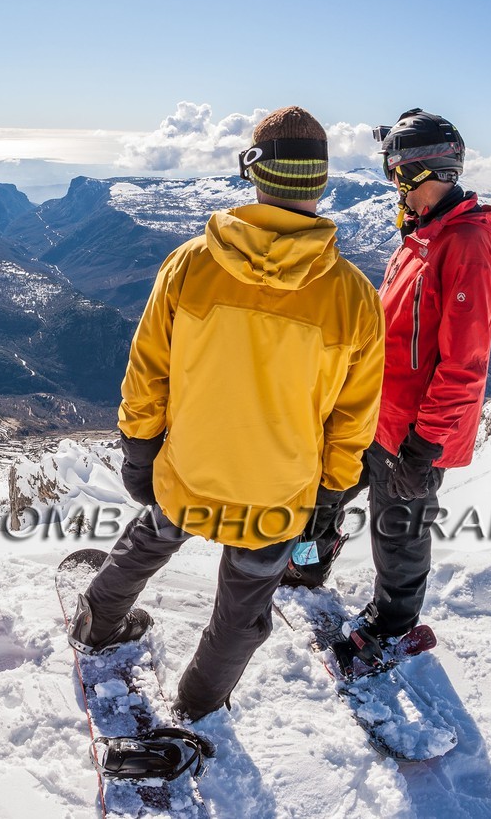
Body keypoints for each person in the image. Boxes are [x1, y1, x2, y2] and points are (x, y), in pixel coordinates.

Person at [67, 106, 386, 721]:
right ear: (321, 182)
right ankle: (199, 702)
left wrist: (139, 446)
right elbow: (354, 414)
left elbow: (148, 367)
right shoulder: (352, 296)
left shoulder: (193, 263)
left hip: (190, 464)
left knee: (150, 539)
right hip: (279, 489)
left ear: (254, 172)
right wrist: (332, 489)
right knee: (243, 608)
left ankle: (97, 622)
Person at [283, 109, 491, 669]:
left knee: (398, 530)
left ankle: (394, 627)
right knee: (327, 491)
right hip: (373, 410)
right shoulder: (422, 235)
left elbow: (466, 362)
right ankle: (308, 564)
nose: (392, 185)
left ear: (417, 169)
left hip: (412, 432)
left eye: (395, 172)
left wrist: (425, 445)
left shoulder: (466, 245)